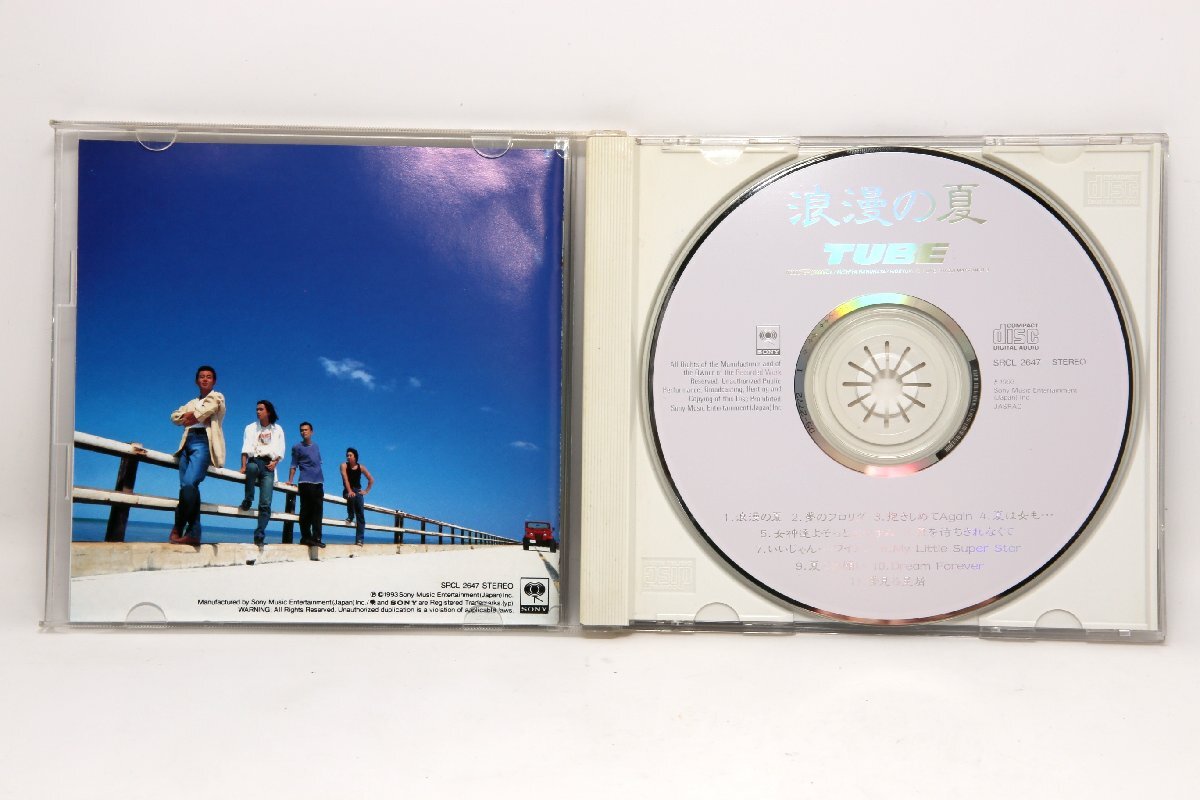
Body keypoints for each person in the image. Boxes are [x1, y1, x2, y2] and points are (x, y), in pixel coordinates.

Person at [169, 365, 226, 545]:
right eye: (201, 376)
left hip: (203, 441)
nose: (205, 379)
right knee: (187, 488)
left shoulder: (217, 396)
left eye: (209, 376)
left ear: (214, 381)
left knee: (189, 483)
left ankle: (178, 526)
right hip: (186, 443)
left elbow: (209, 409)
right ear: (196, 381)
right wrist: (194, 416)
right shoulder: (191, 402)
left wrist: (191, 417)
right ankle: (194, 532)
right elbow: (174, 417)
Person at [239, 400, 285, 546]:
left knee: (265, 503)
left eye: (261, 409)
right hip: (254, 460)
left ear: (268, 411)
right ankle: (248, 498)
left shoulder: (277, 429)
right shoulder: (250, 428)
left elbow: (281, 449)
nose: (257, 411)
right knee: (251, 468)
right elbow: (245, 448)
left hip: (268, 465)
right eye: (257, 409)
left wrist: (275, 462)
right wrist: (243, 466)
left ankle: (259, 533)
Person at [288, 421, 325, 548]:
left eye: (306, 430)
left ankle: (317, 538)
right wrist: (290, 480)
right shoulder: (297, 447)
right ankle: (305, 537)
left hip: (319, 483)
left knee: (318, 511)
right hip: (305, 482)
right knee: (306, 511)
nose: (303, 432)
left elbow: (318, 464)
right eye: (301, 430)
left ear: (311, 432)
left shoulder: (316, 447)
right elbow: (293, 465)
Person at [340, 447, 375, 546]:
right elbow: (345, 480)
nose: (348, 457)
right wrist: (350, 491)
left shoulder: (361, 467)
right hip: (347, 490)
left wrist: (366, 491)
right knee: (352, 496)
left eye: (350, 455)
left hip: (358, 491)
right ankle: (351, 516)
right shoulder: (343, 466)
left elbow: (371, 479)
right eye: (347, 455)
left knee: (360, 515)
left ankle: (359, 540)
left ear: (355, 457)